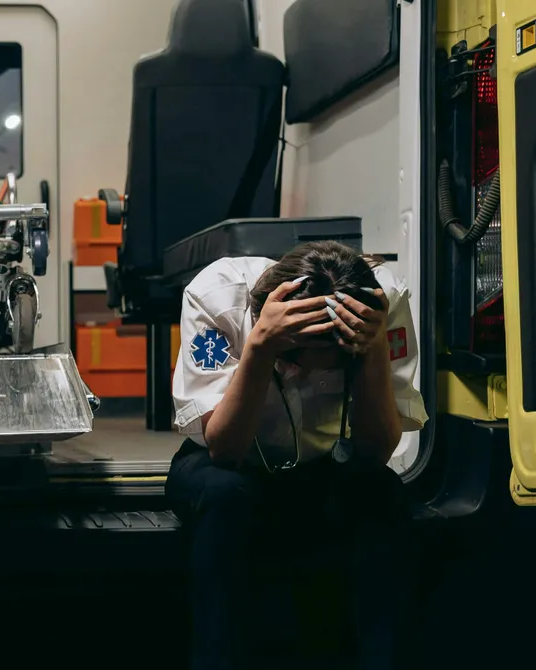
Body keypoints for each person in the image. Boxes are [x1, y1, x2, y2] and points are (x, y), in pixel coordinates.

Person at [167, 240, 427, 669]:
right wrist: (260, 346)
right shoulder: (216, 295)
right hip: (227, 462)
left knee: (381, 491)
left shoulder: (378, 305)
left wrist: (374, 348)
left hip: (322, 460)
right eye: (297, 361)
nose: (304, 374)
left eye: (323, 365)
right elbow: (225, 448)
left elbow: (375, 451)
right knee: (225, 494)